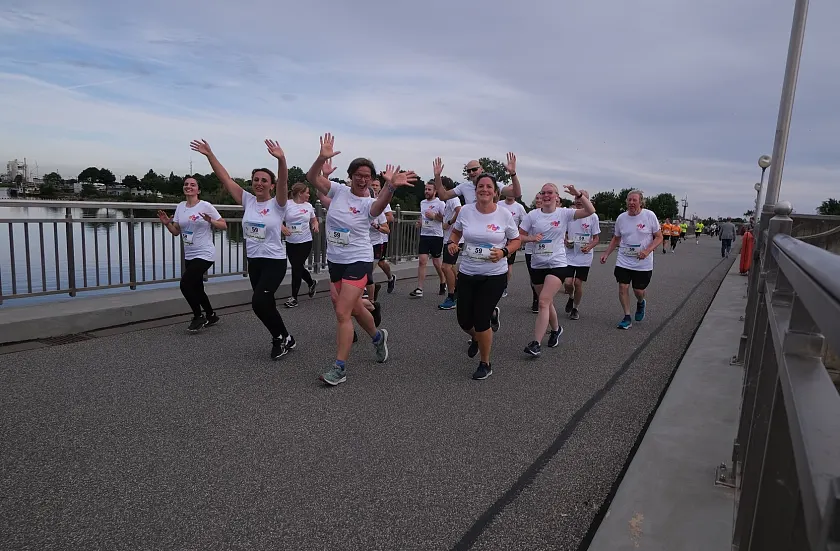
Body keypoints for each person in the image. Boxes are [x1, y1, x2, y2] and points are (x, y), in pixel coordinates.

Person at [306, 133, 417, 386]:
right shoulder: (339, 191)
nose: (362, 178)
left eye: (367, 175)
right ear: (351, 176)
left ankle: (340, 368)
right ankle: (378, 337)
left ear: (371, 179)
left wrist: (391, 187)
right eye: (358, 174)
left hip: (358, 259)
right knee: (352, 308)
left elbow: (380, 207)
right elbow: (312, 178)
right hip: (335, 259)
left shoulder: (370, 203)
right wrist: (321, 157)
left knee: (343, 312)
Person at [190, 138, 295, 359]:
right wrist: (210, 155)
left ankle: (279, 338)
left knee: (259, 302)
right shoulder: (247, 200)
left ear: (271, 185)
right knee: (265, 303)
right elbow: (225, 178)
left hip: (273, 261)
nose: (259, 183)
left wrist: (282, 160)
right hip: (254, 261)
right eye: (256, 179)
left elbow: (284, 182)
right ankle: (286, 337)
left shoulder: (278, 203)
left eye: (264, 180)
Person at [446, 172, 521, 380]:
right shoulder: (466, 211)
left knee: (480, 319)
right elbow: (456, 233)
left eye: (489, 187)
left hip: (494, 275)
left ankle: (485, 363)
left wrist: (504, 251)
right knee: (464, 321)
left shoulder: (504, 214)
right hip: (468, 272)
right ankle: (478, 338)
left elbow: (516, 241)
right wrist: (452, 243)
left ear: (495, 192)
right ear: (475, 190)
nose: (484, 190)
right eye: (481, 186)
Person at [519, 183, 595, 356]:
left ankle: (536, 343)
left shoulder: (564, 213)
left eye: (550, 193)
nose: (546, 195)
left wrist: (578, 194)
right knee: (547, 302)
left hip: (558, 263)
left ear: (557, 196)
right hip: (538, 263)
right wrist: (531, 238)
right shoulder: (533, 215)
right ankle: (556, 329)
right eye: (543, 193)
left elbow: (590, 211)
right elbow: (518, 235)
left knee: (544, 301)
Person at [157, 176, 227, 331]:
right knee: (197, 288)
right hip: (189, 253)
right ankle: (211, 315)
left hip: (205, 253)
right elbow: (176, 231)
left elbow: (224, 225)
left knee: (185, 284)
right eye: (186, 184)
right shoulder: (180, 206)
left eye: (192, 185)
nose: (189, 186)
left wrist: (211, 221)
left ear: (198, 190)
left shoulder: (205, 206)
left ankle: (198, 317)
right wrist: (167, 224)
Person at [600, 190, 663, 330]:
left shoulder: (649, 216)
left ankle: (641, 302)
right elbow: (616, 238)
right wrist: (606, 253)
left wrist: (647, 251)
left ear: (641, 202)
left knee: (638, 290)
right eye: (629, 200)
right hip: (624, 258)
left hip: (642, 261)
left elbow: (659, 237)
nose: (631, 203)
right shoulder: (621, 218)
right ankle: (627, 316)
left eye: (634, 200)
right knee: (623, 287)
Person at [562, 190, 600, 321]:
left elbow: (596, 239)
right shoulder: (570, 214)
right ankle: (571, 296)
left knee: (578, 283)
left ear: (588, 201)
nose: (578, 200)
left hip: (584, 256)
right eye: (576, 198)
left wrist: (589, 246)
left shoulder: (593, 217)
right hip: (570, 254)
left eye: (582, 198)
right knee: (567, 283)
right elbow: (563, 233)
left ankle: (575, 308)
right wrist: (565, 241)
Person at [282, 183, 319, 308]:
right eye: (307, 192)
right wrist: (282, 228)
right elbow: (277, 219)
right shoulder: (287, 204)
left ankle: (294, 298)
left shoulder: (308, 206)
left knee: (296, 268)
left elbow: (314, 219)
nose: (309, 195)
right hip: (291, 242)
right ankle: (311, 282)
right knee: (297, 267)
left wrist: (315, 224)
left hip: (305, 241)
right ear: (300, 193)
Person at [410, 182, 446, 298]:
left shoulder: (440, 203)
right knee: (422, 261)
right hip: (424, 234)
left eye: (429, 189)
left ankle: (443, 280)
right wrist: (420, 222)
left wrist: (434, 216)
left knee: (436, 262)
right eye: (425, 189)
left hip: (436, 235)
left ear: (435, 191)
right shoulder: (422, 203)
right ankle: (420, 288)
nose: (426, 191)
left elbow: (445, 219)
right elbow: (422, 216)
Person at [438, 185, 462, 310]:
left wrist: (449, 223)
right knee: (451, 267)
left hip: (454, 240)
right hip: (449, 238)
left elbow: (459, 210)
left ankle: (452, 297)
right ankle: (459, 290)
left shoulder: (453, 199)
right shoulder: (448, 201)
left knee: (445, 267)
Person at [499, 193, 527, 298]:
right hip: (499, 237)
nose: (510, 194)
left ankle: (504, 286)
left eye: (513, 192)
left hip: (512, 239)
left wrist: (519, 238)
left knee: (509, 265)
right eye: (508, 191)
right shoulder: (499, 204)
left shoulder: (519, 207)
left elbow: (525, 223)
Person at [524, 192, 543, 313]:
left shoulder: (551, 214)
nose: (538, 200)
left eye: (541, 198)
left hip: (546, 251)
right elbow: (521, 234)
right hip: (531, 250)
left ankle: (544, 299)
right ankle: (536, 298)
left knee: (546, 277)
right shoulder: (530, 215)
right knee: (534, 277)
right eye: (536, 198)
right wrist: (532, 238)